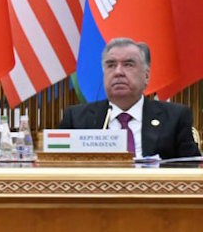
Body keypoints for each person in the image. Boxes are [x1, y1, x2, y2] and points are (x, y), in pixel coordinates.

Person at [57, 37, 200, 160]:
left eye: (128, 65)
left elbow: (192, 171)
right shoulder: (76, 119)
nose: (118, 72)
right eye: (111, 65)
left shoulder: (175, 118)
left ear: (146, 76)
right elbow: (57, 168)